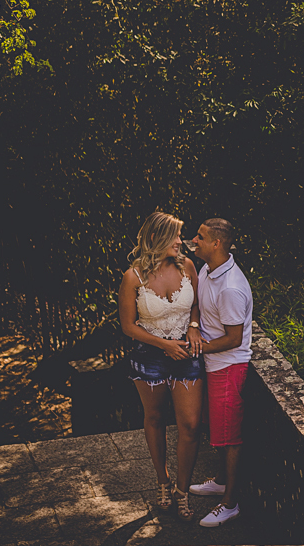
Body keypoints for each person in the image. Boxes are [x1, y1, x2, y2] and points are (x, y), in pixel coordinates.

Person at [118, 211, 204, 522]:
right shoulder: (133, 277)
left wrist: (193, 325)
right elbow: (128, 326)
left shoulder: (188, 267)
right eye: (176, 236)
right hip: (150, 355)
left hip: (186, 352)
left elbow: (194, 303)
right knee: (154, 417)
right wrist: (165, 345)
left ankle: (183, 491)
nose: (181, 241)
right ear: (156, 238)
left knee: (191, 426)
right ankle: (163, 483)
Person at [187, 217, 253, 528]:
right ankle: (221, 481)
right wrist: (195, 326)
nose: (193, 240)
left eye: (199, 237)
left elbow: (234, 339)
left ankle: (230, 503)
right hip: (215, 364)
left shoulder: (230, 287)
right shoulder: (208, 270)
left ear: (216, 244)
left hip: (229, 367)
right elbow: (197, 304)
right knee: (219, 431)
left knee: (230, 436)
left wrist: (196, 348)